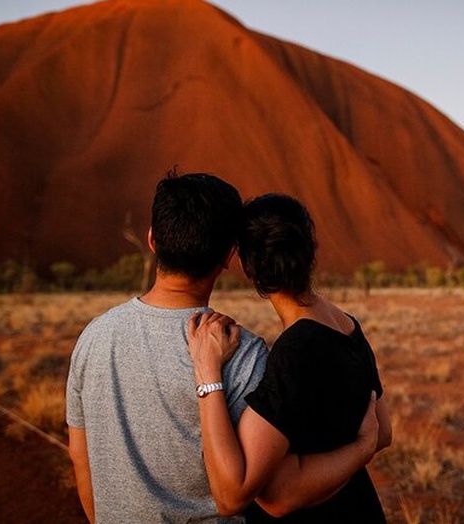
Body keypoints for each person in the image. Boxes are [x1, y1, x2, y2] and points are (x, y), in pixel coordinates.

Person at [66, 173, 379, 523]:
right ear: (229, 257)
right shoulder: (241, 352)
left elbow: (81, 458)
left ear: (152, 240)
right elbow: (267, 492)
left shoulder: (92, 338)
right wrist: (362, 448)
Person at [188, 193, 392, 523]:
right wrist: (359, 450)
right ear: (311, 253)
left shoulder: (295, 351)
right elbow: (382, 431)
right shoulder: (348, 325)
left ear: (247, 266)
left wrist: (207, 369)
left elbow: (269, 498)